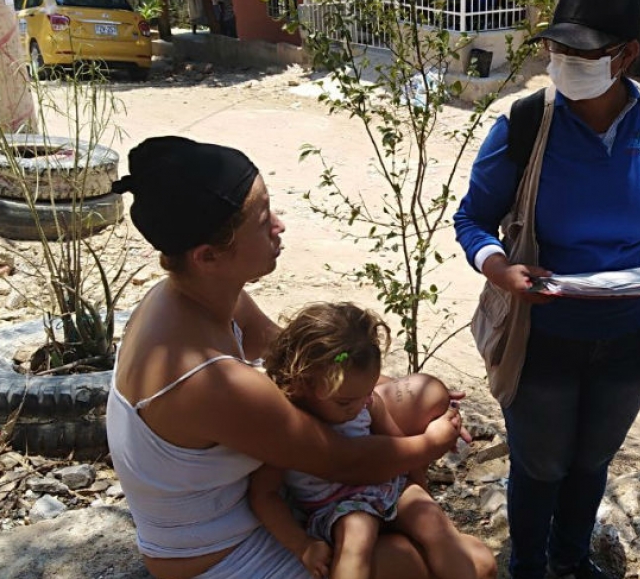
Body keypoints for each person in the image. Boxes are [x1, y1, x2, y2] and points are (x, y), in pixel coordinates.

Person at [105, 136, 493, 579]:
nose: (279, 225)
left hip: (239, 498)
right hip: (217, 553)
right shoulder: (207, 379)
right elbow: (341, 460)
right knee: (437, 563)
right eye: (262, 218)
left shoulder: (197, 295)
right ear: (208, 255)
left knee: (424, 395)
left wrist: (379, 386)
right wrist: (432, 444)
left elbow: (292, 357)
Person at [453, 0, 640, 577]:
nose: (564, 64)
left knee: (592, 460)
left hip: (630, 335)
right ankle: (529, 565)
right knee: (540, 464)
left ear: (625, 55)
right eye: (558, 50)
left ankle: (572, 560)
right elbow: (472, 218)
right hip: (543, 335)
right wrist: (500, 269)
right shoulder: (526, 124)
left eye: (584, 53)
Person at [248, 302, 490, 579]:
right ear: (303, 383)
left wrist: (421, 489)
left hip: (387, 486)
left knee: (433, 522)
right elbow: (263, 495)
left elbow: (398, 448)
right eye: (346, 401)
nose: (359, 406)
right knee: (357, 537)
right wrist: (302, 545)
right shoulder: (290, 426)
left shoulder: (365, 402)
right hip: (337, 506)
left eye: (366, 394)